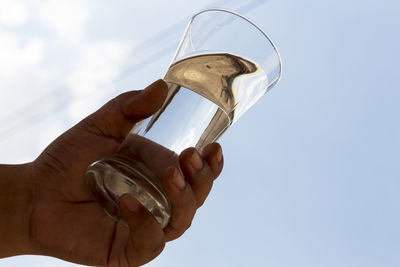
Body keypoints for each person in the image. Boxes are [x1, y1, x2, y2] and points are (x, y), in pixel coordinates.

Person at [0, 79, 224, 266]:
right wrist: (28, 205)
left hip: (110, 176)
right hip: (115, 174)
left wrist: (30, 206)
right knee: (182, 174)